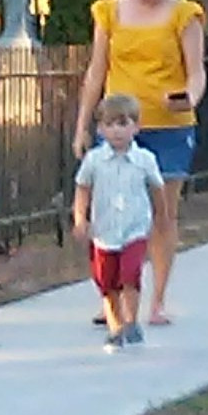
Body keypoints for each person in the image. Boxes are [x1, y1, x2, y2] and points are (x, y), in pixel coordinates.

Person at [72, 0, 206, 326]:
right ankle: (112, 297)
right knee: (111, 213)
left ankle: (158, 300)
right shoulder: (109, 12)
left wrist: (187, 98)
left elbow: (197, 71)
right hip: (117, 128)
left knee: (161, 214)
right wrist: (83, 125)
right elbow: (96, 72)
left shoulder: (184, 15)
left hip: (168, 126)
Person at [72, 93, 167, 352]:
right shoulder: (94, 161)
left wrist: (162, 219)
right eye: (110, 125)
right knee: (107, 282)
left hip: (135, 229)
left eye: (123, 124)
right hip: (103, 233)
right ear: (101, 129)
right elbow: (82, 189)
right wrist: (81, 219)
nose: (117, 131)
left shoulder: (145, 160)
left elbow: (157, 190)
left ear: (136, 127)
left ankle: (131, 323)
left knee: (130, 274)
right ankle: (115, 326)